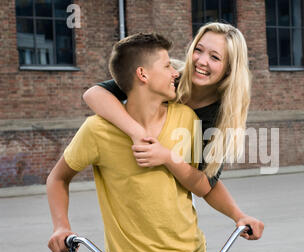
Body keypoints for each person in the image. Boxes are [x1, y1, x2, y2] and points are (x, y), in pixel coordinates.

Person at [48, 33, 216, 252]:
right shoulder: (97, 130)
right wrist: (61, 226)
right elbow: (57, 178)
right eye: (167, 66)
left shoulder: (186, 118)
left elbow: (194, 182)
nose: (176, 73)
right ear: (143, 74)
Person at [83, 22, 264, 240]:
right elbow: (94, 94)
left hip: (171, 208)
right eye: (198, 50)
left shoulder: (219, 117)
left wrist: (238, 215)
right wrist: (137, 133)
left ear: (229, 69)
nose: (201, 61)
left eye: (215, 57)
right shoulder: (167, 76)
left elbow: (205, 183)